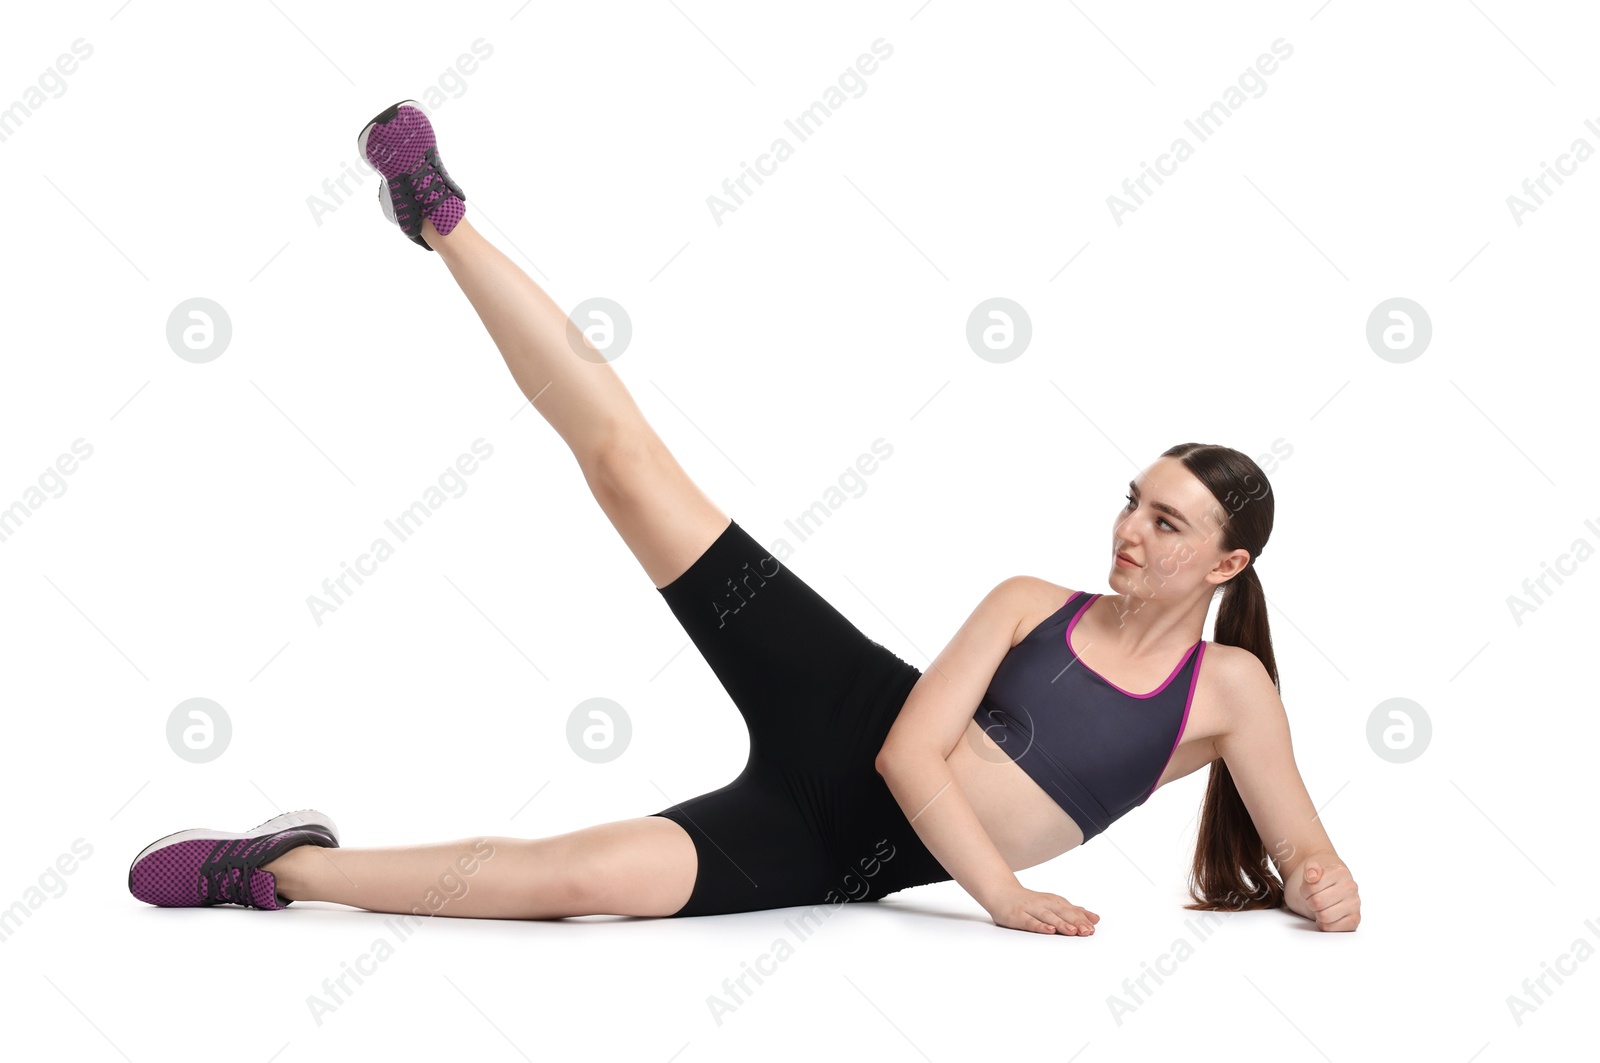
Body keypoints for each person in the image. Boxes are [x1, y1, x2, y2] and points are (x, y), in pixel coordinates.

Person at [126, 102, 1361, 935]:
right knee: (628, 467)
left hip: (836, 850)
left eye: (1168, 523)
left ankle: (274, 866)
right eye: (1132, 501)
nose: (1130, 532)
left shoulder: (1232, 692)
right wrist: (999, 894)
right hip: (852, 711)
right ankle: (444, 221)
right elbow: (903, 753)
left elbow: (1302, 848)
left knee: (582, 880)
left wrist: (1324, 885)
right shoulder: (1032, 602)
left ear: (1228, 560)